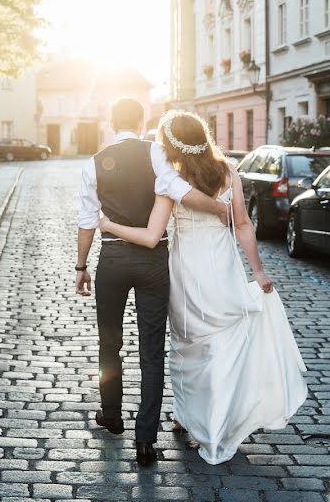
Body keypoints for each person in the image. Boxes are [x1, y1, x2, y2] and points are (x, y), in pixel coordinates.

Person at [99, 110, 308, 465]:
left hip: (185, 268)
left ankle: (191, 419)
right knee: (220, 342)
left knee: (186, 345)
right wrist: (256, 271)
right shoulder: (227, 171)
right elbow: (242, 224)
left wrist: (108, 223)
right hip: (222, 266)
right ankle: (206, 419)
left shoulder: (170, 177)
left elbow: (156, 231)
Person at [75, 99, 228, 467]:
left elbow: (86, 222)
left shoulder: (92, 163)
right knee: (152, 351)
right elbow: (177, 191)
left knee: (109, 341)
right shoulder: (158, 154)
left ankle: (111, 415)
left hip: (112, 259)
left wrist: (81, 266)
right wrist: (222, 208)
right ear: (142, 120)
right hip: (153, 261)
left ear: (111, 122)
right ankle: (145, 441)